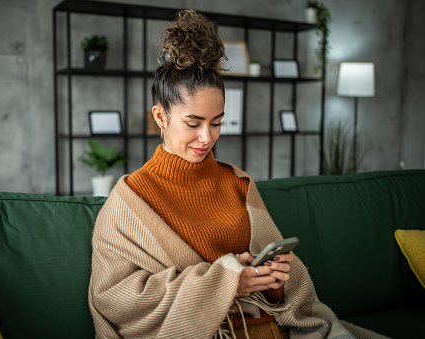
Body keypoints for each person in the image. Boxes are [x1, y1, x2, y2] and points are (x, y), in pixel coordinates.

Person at [88, 9, 386, 339]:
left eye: (217, 122)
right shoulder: (130, 199)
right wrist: (226, 282)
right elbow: (115, 298)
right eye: (193, 123)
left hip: (270, 328)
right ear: (160, 117)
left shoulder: (237, 182)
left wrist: (274, 275)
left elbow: (286, 291)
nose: (207, 137)